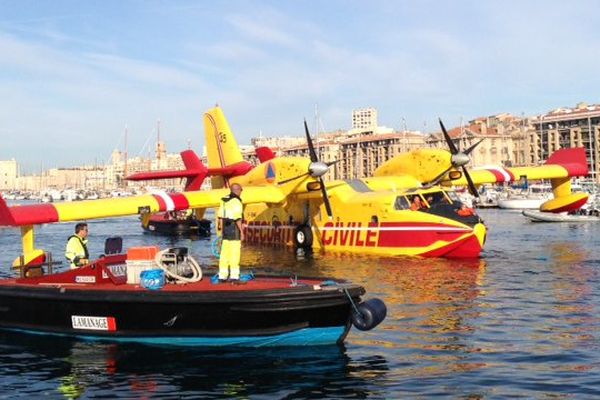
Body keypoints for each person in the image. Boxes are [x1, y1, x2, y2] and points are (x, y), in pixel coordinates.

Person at [217, 183, 245, 284]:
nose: (241, 192)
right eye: (241, 190)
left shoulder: (223, 200)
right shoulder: (237, 201)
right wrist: (241, 232)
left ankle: (222, 276)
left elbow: (220, 216)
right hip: (234, 230)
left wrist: (220, 230)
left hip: (225, 230)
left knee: (224, 255)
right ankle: (234, 277)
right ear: (237, 190)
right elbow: (238, 218)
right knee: (235, 255)